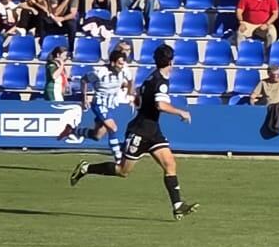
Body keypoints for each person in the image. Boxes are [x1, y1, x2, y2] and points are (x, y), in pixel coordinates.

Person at [69, 43, 199, 218]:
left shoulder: (151, 78)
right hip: (140, 132)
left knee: (170, 164)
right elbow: (160, 105)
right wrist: (180, 112)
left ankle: (178, 205)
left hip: (152, 131)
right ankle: (87, 168)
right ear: (171, 62)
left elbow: (139, 95)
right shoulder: (160, 82)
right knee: (123, 171)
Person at [60, 46, 131, 159]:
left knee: (97, 136)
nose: (122, 66)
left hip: (110, 104)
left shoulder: (124, 70)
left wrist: (130, 94)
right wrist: (84, 98)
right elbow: (84, 80)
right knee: (113, 128)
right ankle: (118, 158)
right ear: (112, 63)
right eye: (120, 63)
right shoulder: (100, 72)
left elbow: (130, 80)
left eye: (123, 63)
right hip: (99, 103)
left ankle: (72, 130)